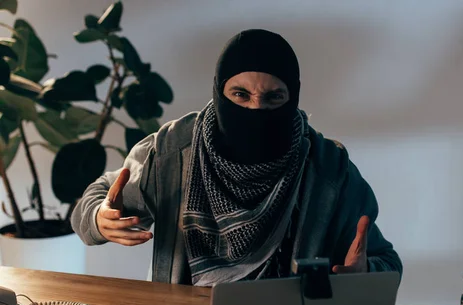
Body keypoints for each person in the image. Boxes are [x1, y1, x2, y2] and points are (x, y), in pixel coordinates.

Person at [71, 29, 402, 286]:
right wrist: (101, 218)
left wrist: (363, 275)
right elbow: (89, 208)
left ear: (293, 98)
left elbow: (386, 262)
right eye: (240, 95)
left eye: (274, 98)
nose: (256, 109)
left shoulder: (329, 168)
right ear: (219, 92)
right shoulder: (174, 151)